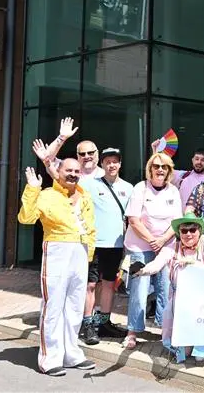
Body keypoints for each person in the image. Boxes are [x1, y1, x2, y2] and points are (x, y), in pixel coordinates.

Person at [17, 159, 97, 376]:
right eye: (68, 170)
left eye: (76, 171)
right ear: (58, 172)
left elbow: (90, 227)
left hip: (80, 251)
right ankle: (49, 358)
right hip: (57, 249)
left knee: (74, 305)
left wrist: (88, 253)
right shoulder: (46, 195)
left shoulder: (85, 195)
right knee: (53, 305)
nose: (72, 174)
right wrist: (32, 188)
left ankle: (71, 354)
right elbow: (26, 218)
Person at [134, 212, 204, 364]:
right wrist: (142, 271)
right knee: (183, 352)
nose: (188, 234)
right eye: (184, 230)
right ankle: (183, 344)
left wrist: (192, 264)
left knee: (200, 357)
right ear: (179, 233)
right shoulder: (172, 248)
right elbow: (157, 264)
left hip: (203, 299)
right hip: (178, 300)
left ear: (199, 230)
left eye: (192, 230)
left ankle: (202, 346)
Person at [122, 152, 182, 350]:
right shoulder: (141, 188)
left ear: (169, 171)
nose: (160, 169)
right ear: (150, 169)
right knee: (139, 289)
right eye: (156, 166)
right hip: (139, 246)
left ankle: (164, 329)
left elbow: (176, 222)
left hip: (165, 246)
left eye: (164, 167)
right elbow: (133, 220)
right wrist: (151, 240)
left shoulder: (173, 191)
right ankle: (132, 331)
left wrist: (162, 240)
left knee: (166, 288)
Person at [78, 147, 134, 345]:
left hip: (117, 244)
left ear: (120, 164)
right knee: (91, 284)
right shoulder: (87, 184)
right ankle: (88, 325)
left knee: (110, 283)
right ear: (101, 164)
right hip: (94, 243)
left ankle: (104, 322)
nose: (111, 165)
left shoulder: (129, 188)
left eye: (115, 161)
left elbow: (131, 217)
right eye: (107, 161)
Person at [31, 117, 104, 181]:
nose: (87, 156)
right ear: (77, 156)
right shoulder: (69, 171)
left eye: (90, 153)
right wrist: (61, 137)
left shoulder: (106, 174)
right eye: (82, 154)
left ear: (97, 153)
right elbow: (48, 158)